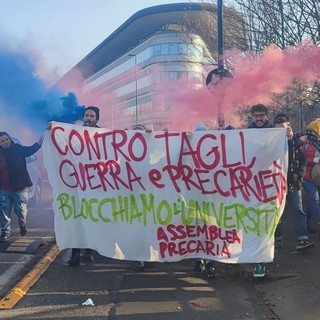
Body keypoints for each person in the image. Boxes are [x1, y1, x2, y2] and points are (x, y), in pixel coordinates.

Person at [273, 114, 314, 251]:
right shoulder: (271, 143)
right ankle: (278, 238)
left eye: (283, 128)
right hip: (276, 183)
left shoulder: (296, 141)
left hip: (293, 182)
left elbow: (302, 160)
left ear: (289, 127)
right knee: (277, 211)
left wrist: (299, 174)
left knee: (297, 209)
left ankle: (303, 239)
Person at [67, 106, 100, 267]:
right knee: (77, 220)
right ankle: (75, 254)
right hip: (77, 185)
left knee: (92, 220)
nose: (88, 118)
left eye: (92, 116)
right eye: (86, 115)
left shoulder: (104, 134)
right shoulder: (73, 134)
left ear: (97, 119)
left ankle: (89, 250)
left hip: (97, 187)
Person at [0, 132, 43, 241]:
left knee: (21, 211)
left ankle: (22, 224)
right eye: (2, 141)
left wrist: (38, 144)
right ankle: (5, 233)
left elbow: (29, 150)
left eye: (6, 139)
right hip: (4, 188)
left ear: (9, 139)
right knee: (4, 212)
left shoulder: (17, 149)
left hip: (20, 187)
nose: (5, 142)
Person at [247, 104, 272, 278]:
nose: (258, 118)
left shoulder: (276, 132)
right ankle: (256, 258)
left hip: (270, 184)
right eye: (255, 115)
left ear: (267, 116)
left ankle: (260, 261)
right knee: (252, 223)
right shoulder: (246, 133)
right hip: (249, 185)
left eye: (261, 115)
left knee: (266, 223)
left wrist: (289, 138)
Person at [298, 118, 320, 237]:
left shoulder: (318, 143)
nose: (310, 133)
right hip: (307, 176)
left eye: (313, 131)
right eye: (309, 131)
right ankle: (318, 223)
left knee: (314, 202)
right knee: (314, 200)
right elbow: (302, 159)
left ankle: (306, 224)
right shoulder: (304, 143)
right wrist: (315, 160)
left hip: (318, 176)